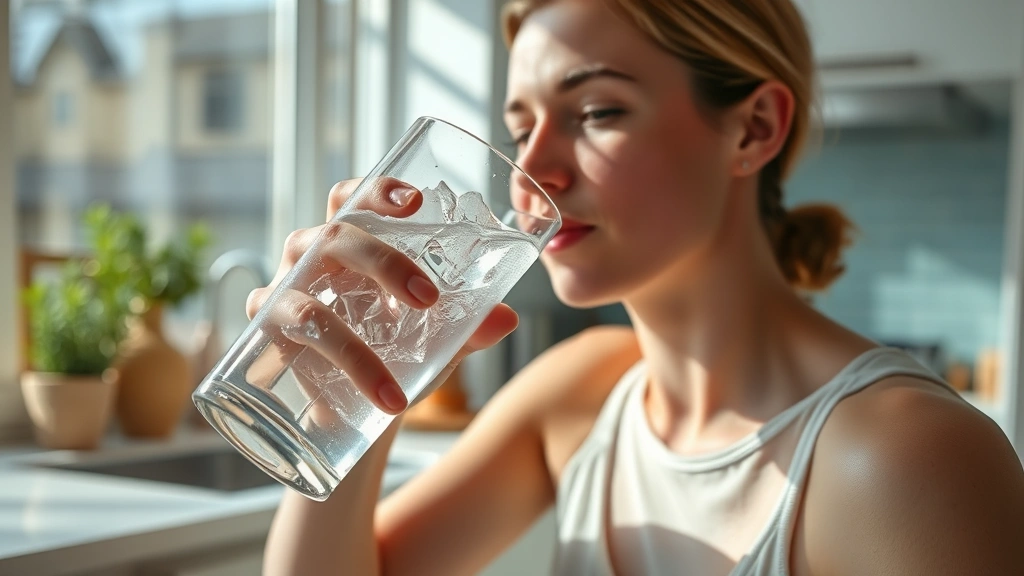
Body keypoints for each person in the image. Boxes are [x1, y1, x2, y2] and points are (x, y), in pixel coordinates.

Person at [258, 0, 1024, 574]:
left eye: (597, 111)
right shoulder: (578, 395)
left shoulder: (906, 458)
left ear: (754, 128)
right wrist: (347, 407)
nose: (538, 176)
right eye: (522, 128)